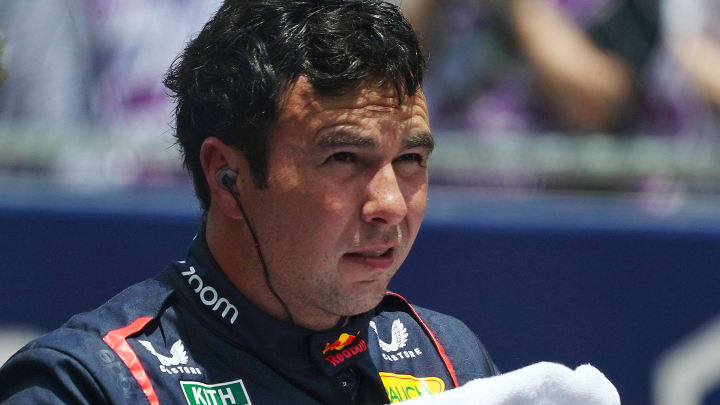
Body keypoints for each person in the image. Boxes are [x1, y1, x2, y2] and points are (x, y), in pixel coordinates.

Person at [0, 1, 499, 404]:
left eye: (411, 159)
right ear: (227, 176)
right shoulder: (91, 384)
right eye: (345, 158)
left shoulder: (451, 362)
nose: (390, 203)